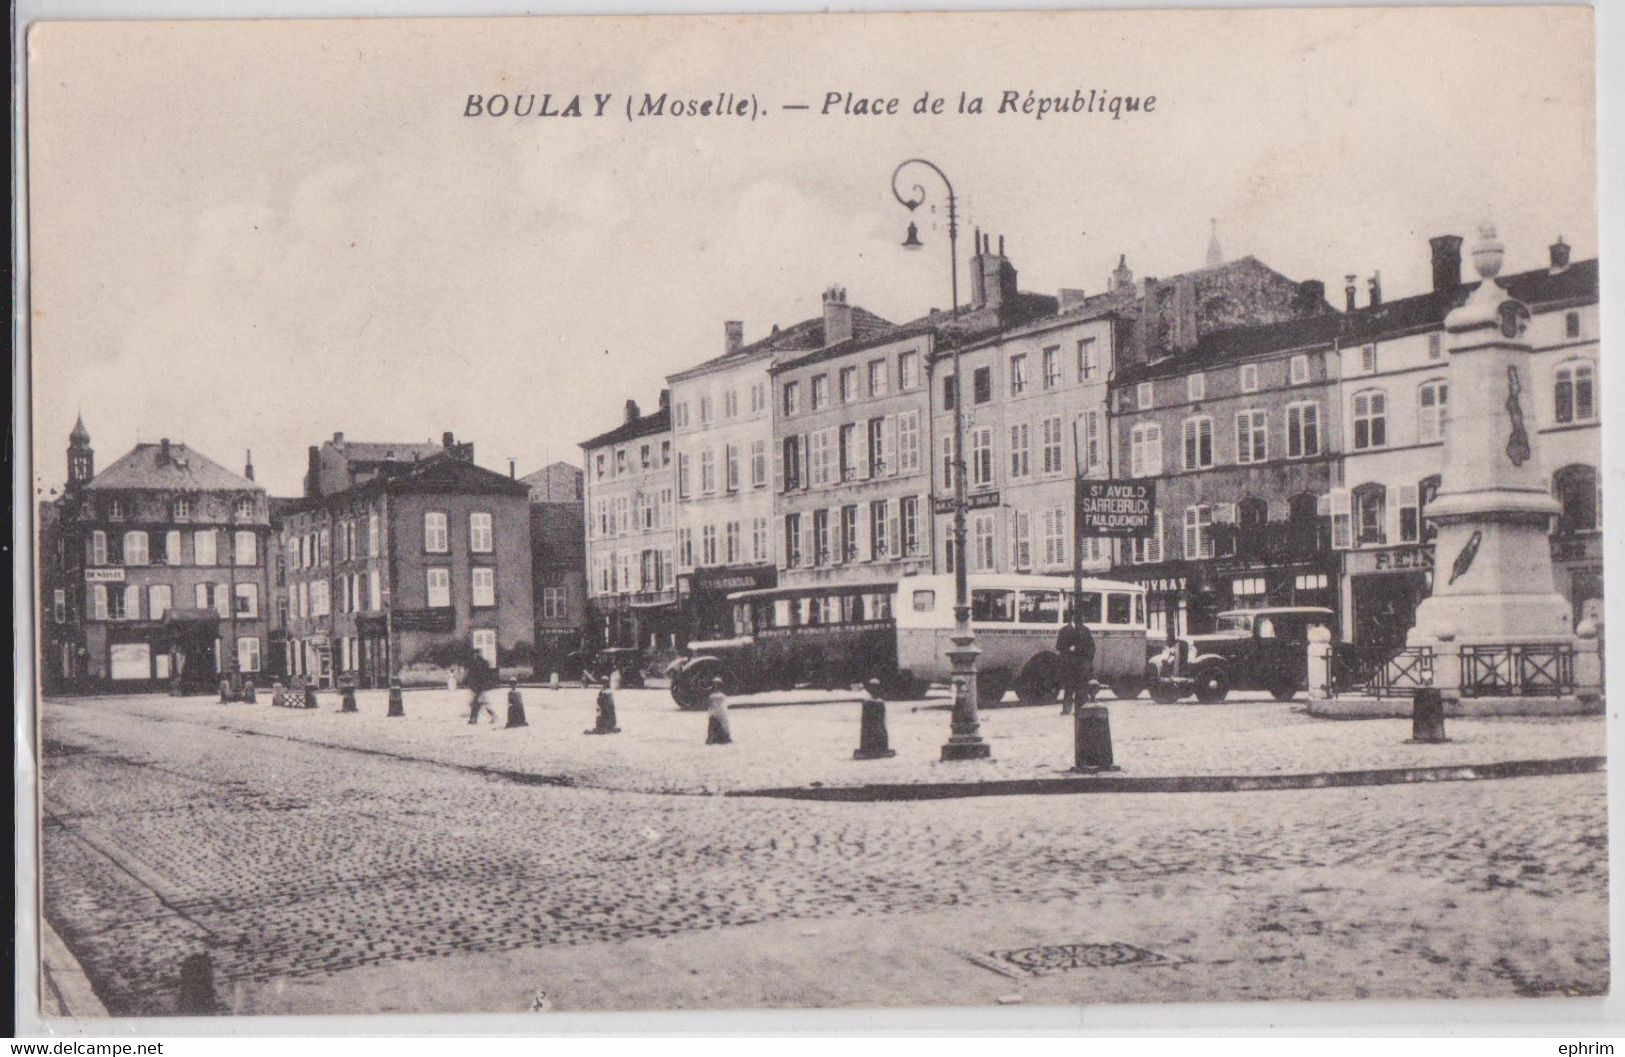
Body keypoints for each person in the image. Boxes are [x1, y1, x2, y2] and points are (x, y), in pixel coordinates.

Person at [466, 659, 497, 725]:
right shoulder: (480, 674)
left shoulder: (479, 675)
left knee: (477, 705)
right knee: (478, 705)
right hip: (480, 692)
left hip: (480, 692)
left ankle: (473, 719)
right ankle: (473, 719)